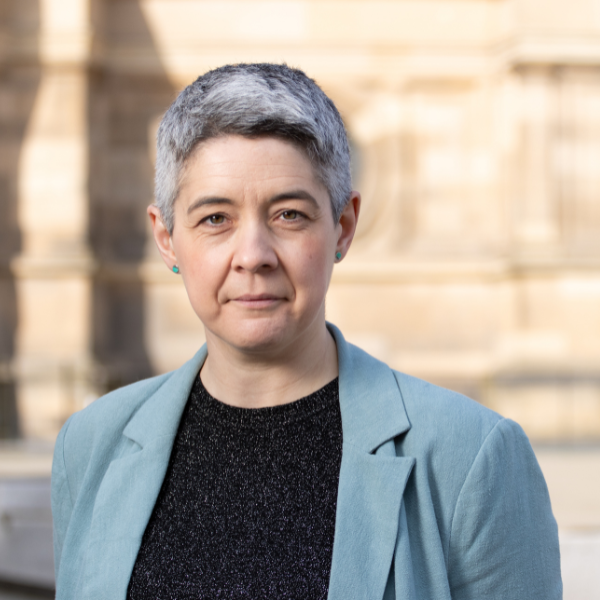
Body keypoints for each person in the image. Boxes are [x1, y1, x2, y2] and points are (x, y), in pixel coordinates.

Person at [51, 63, 562, 600]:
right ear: (167, 238)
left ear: (342, 228)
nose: (253, 256)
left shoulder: (473, 457)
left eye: (289, 214)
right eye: (215, 219)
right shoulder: (90, 447)